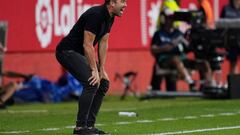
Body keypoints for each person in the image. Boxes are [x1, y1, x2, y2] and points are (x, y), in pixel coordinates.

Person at [55, 0, 127, 134]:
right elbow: (87, 44)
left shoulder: (110, 17)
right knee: (92, 82)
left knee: (103, 83)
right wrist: (94, 70)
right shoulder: (96, 15)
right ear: (111, 3)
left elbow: (103, 43)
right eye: (122, 1)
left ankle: (89, 126)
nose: (126, 5)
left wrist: (101, 69)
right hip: (66, 51)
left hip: (80, 53)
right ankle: (80, 127)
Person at [151, 9, 196, 91]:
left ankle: (211, 85)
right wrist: (168, 46)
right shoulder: (159, 33)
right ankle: (191, 82)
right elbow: (153, 49)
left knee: (203, 63)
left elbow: (188, 48)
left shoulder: (178, 33)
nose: (171, 21)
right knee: (175, 60)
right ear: (164, 19)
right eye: (169, 18)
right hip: (165, 59)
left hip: (181, 58)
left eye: (172, 18)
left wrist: (190, 41)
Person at [220, 0, 240, 74]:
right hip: (232, 41)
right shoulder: (226, 8)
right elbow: (221, 23)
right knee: (233, 63)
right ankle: (234, 83)